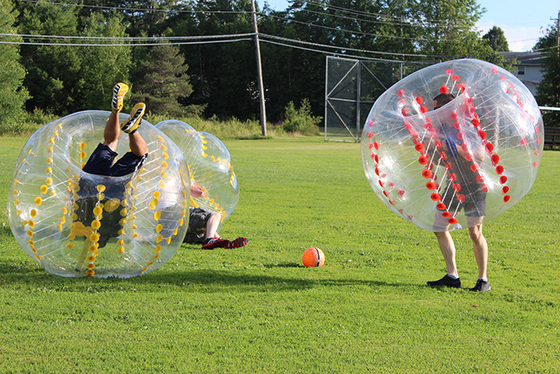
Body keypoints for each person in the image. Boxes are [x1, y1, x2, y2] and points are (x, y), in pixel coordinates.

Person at [427, 93, 491, 292]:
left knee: (475, 232)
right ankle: (452, 275)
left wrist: (455, 148)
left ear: (449, 109)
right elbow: (440, 161)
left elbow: (480, 156)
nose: (434, 113)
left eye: (437, 109)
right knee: (439, 227)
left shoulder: (466, 128)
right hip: (454, 184)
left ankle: (483, 280)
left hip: (474, 185)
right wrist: (431, 151)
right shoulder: (441, 130)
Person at [72, 83, 147, 248]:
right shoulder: (79, 220)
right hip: (88, 182)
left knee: (139, 155)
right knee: (110, 142)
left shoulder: (115, 228)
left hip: (114, 186)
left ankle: (133, 130)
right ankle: (116, 111)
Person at [183, 181, 248, 250]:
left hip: (174, 231)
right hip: (179, 215)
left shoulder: (172, 176)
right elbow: (199, 193)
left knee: (205, 229)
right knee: (215, 215)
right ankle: (209, 239)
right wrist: (192, 183)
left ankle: (222, 241)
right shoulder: (179, 179)